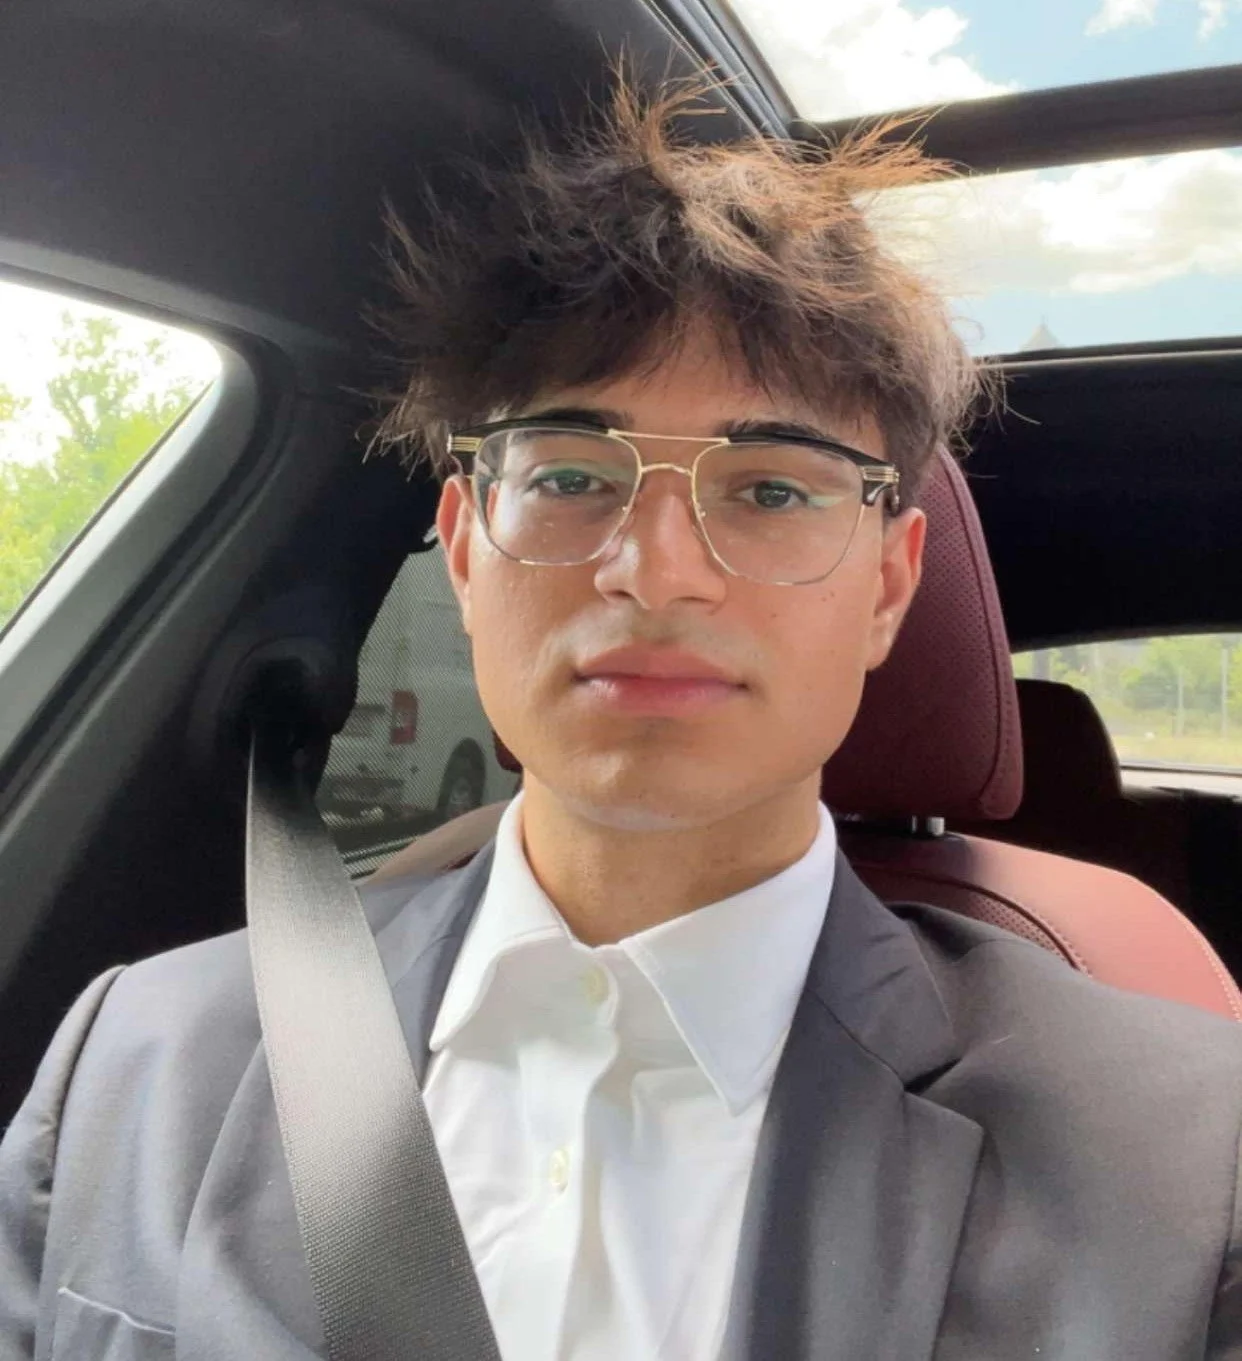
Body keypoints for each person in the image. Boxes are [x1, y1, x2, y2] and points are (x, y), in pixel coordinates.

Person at [3, 76, 1242, 1361]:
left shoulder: (1183, 1161)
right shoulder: (134, 1062)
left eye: (769, 487)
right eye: (574, 474)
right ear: (467, 549)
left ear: (886, 584)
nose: (657, 569)